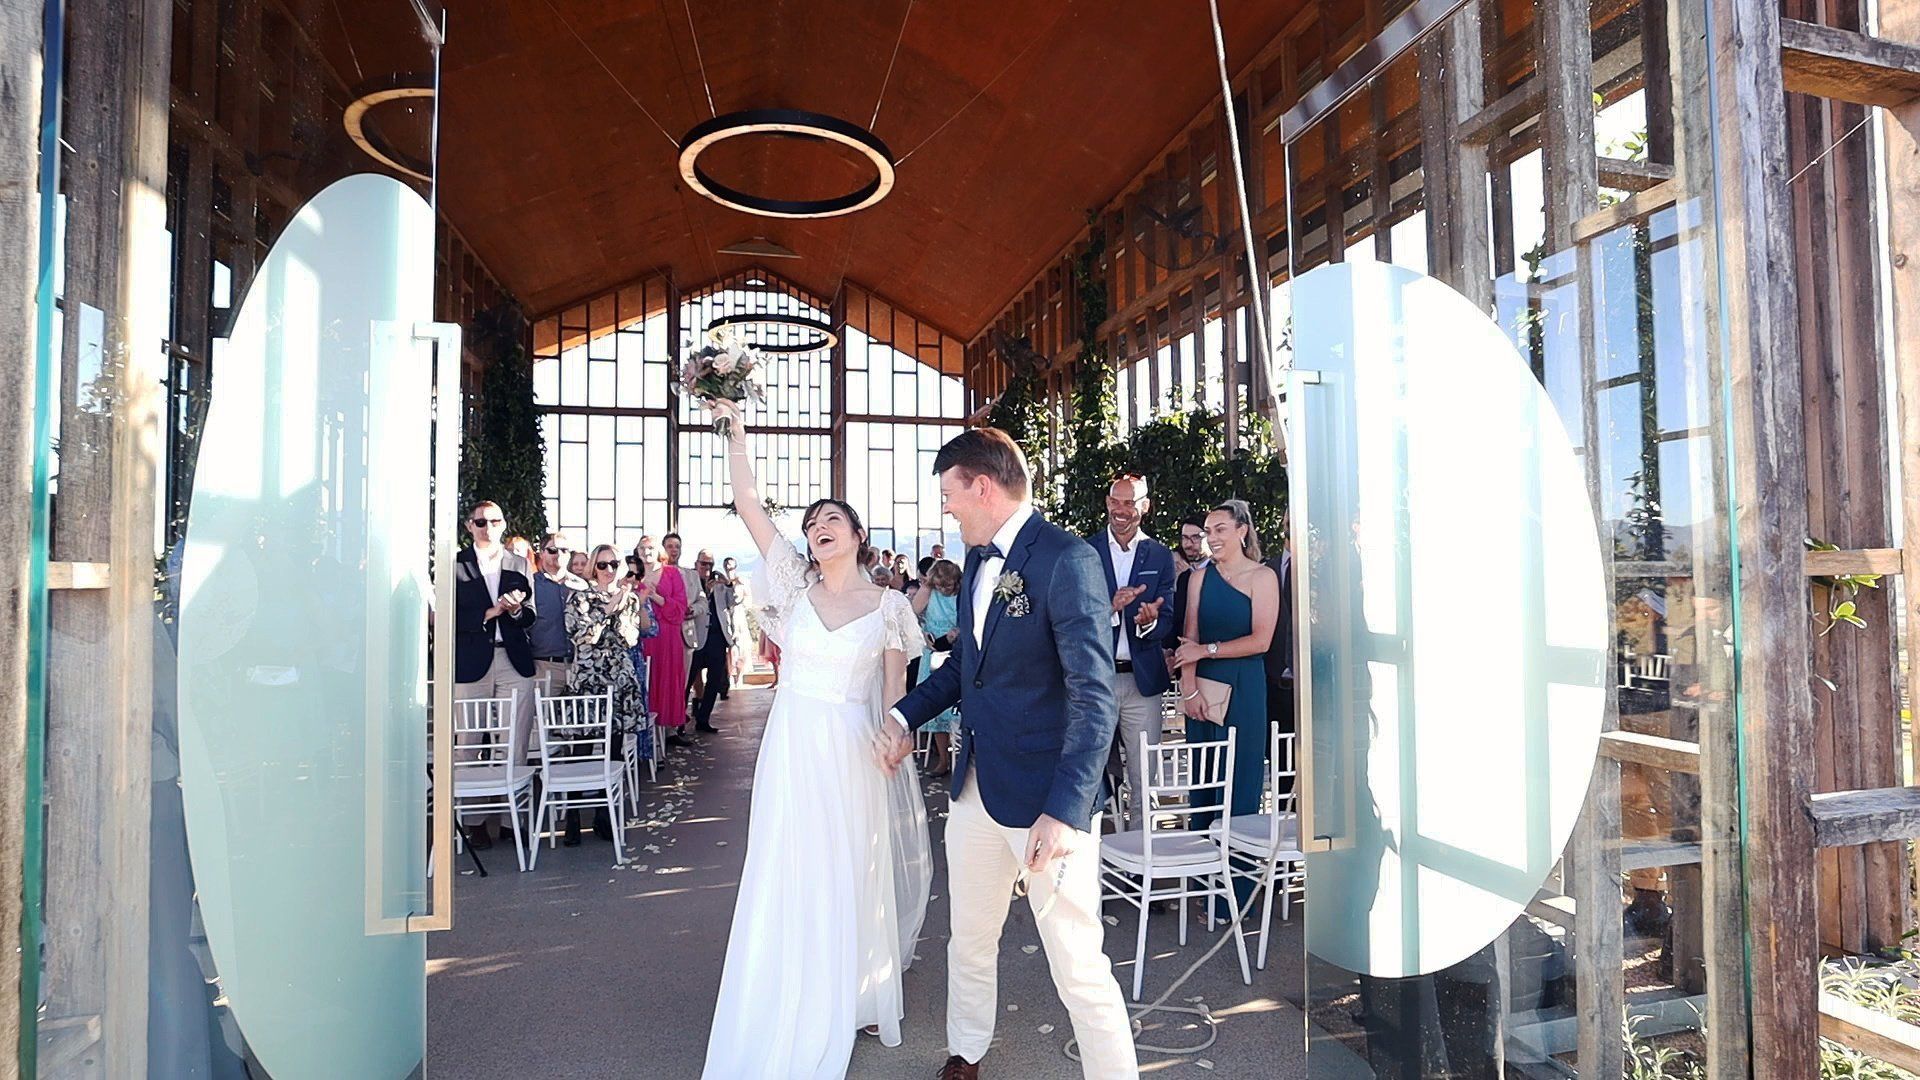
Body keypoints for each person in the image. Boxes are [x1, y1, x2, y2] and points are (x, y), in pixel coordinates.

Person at [888, 427, 1137, 1080]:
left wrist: (1064, 809)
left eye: (949, 494)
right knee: (969, 939)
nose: (946, 507)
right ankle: (966, 1052)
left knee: (1078, 965)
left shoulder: (1066, 559)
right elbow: (968, 667)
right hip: (974, 789)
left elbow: (1094, 696)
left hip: (1046, 803)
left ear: (981, 485)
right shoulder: (976, 559)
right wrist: (901, 714)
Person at [698, 399, 932, 1080]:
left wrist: (899, 736)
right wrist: (735, 431)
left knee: (845, 872)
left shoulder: (889, 608)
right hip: (791, 747)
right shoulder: (793, 589)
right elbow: (747, 504)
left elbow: (895, 698)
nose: (818, 527)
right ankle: (778, 991)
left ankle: (847, 991)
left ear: (858, 535)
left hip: (851, 753)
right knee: (783, 867)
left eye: (832, 518)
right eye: (811, 523)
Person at [1172, 499, 1278, 918]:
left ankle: (1237, 889)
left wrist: (1207, 651)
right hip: (1205, 694)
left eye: (1219, 529)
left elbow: (1262, 641)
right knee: (1205, 782)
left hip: (1246, 691)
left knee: (1240, 782)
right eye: (1206, 531)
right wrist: (1189, 689)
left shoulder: (1263, 577)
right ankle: (1205, 885)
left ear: (1242, 532)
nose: (1210, 538)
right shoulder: (1200, 579)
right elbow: (1189, 637)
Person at [1087, 475, 1177, 831]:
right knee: (1090, 774)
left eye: (1129, 503)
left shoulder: (1159, 555)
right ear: (1107, 503)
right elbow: (1072, 616)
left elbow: (1168, 617)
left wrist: (1149, 621)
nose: (1121, 510)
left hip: (1143, 683)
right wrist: (1109, 608)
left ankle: (1144, 861)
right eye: (1115, 502)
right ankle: (1089, 861)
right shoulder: (1085, 551)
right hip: (1097, 680)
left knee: (1145, 779)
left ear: (1145, 506)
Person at [452, 500, 539, 850]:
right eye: (481, 521)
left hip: (513, 661)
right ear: (469, 526)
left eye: (495, 521)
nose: (488, 527)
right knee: (468, 744)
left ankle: (509, 820)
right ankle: (471, 822)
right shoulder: (455, 564)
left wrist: (516, 612)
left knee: (514, 741)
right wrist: (490, 613)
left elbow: (532, 616)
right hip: (471, 663)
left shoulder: (519, 563)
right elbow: (448, 617)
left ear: (503, 525)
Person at [563, 544, 647, 845]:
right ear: (592, 568)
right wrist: (608, 610)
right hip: (588, 679)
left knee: (612, 750)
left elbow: (629, 637)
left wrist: (623, 606)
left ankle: (603, 816)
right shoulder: (580, 598)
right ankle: (572, 818)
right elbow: (583, 636)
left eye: (613, 564)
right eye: (602, 565)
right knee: (581, 748)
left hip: (618, 678)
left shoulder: (629, 599)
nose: (609, 570)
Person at [910, 558, 963, 778]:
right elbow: (911, 615)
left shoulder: (963, 592)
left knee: (958, 708)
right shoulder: (927, 591)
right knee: (936, 708)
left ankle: (962, 759)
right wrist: (923, 633)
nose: (944, 589)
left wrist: (958, 631)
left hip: (958, 651)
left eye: (948, 586)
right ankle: (943, 759)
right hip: (933, 652)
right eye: (940, 585)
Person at [640, 533, 692, 747]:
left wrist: (655, 597)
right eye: (642, 548)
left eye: (651, 548)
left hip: (668, 638)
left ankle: (666, 734)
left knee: (667, 682)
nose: (647, 552)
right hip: (642, 640)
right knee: (646, 685)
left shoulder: (671, 574)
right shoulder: (632, 575)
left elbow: (680, 608)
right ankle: (646, 739)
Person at [528, 531, 587, 697]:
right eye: (553, 550)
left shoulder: (581, 586)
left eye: (564, 550)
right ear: (541, 553)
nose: (559, 554)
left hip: (578, 665)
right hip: (544, 666)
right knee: (543, 720)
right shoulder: (531, 585)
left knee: (579, 721)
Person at [690, 550, 736, 733]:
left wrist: (728, 584)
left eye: (710, 564)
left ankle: (703, 718)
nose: (707, 568)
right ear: (696, 564)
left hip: (717, 638)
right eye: (703, 564)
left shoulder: (720, 585)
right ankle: (679, 722)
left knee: (714, 681)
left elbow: (734, 601)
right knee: (690, 679)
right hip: (697, 638)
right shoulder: (692, 582)